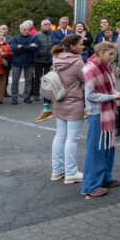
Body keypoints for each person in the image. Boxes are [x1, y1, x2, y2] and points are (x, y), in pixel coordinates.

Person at [81, 41, 120, 198]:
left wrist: (115, 94)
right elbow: (90, 96)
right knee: (96, 150)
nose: (113, 57)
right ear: (100, 53)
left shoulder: (105, 67)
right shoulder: (90, 69)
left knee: (107, 147)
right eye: (110, 54)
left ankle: (105, 178)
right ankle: (89, 186)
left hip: (107, 113)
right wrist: (113, 96)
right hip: (97, 114)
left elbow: (109, 88)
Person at [50, 34, 86, 184]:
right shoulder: (77, 62)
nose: (83, 47)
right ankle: (71, 172)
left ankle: (57, 170)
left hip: (59, 100)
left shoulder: (56, 57)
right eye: (80, 44)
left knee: (60, 136)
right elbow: (87, 79)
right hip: (74, 101)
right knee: (72, 138)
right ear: (72, 46)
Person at [10, 21, 38, 105]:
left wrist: (21, 46)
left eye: (27, 29)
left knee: (28, 81)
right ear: (20, 30)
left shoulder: (33, 38)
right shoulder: (15, 38)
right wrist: (28, 47)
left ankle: (27, 97)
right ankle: (14, 98)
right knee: (15, 81)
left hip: (29, 62)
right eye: (24, 29)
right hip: (17, 62)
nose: (26, 31)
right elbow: (13, 49)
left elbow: (35, 49)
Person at [33, 19, 56, 121]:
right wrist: (37, 53)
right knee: (38, 77)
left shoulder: (53, 34)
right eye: (45, 24)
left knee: (48, 79)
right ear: (42, 26)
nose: (47, 25)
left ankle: (48, 95)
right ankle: (36, 94)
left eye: (49, 24)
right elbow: (34, 45)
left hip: (49, 59)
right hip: (39, 59)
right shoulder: (37, 35)